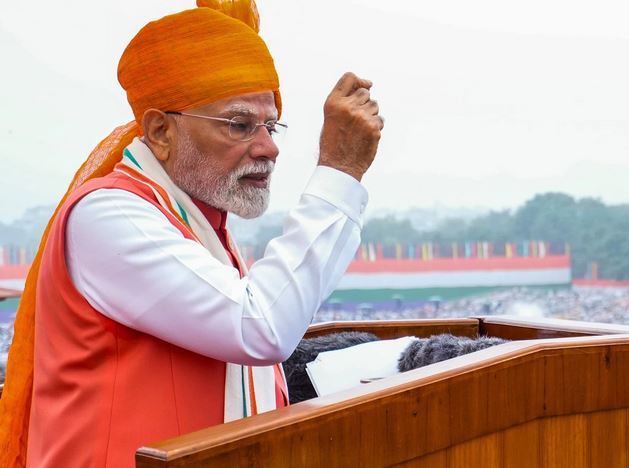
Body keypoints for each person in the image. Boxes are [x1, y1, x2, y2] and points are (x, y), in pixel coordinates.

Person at [0, 1, 383, 466]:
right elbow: (261, 326)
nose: (269, 148)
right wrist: (339, 171)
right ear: (161, 131)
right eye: (240, 125)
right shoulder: (108, 215)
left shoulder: (200, 224)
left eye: (270, 125)